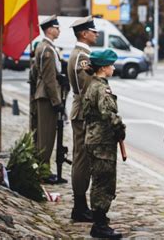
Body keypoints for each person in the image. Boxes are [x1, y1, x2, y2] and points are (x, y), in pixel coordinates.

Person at [82, 49, 126, 239]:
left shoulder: (93, 84)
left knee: (100, 179)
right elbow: (108, 113)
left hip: (95, 138)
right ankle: (99, 225)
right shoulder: (101, 88)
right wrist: (120, 127)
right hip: (102, 142)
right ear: (103, 68)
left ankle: (100, 219)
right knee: (104, 181)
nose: (113, 67)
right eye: (111, 65)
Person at [67, 16, 99, 222]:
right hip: (84, 113)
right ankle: (79, 207)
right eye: (93, 31)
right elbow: (86, 89)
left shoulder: (82, 54)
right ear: (84, 34)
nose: (96, 33)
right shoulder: (82, 57)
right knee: (82, 159)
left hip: (82, 112)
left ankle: (81, 205)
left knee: (83, 159)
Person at [33, 15, 64, 184]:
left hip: (45, 96)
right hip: (46, 97)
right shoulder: (46, 49)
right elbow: (49, 78)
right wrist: (56, 101)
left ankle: (44, 169)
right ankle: (43, 172)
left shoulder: (47, 47)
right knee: (46, 137)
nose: (59, 30)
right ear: (50, 29)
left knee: (47, 135)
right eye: (57, 28)